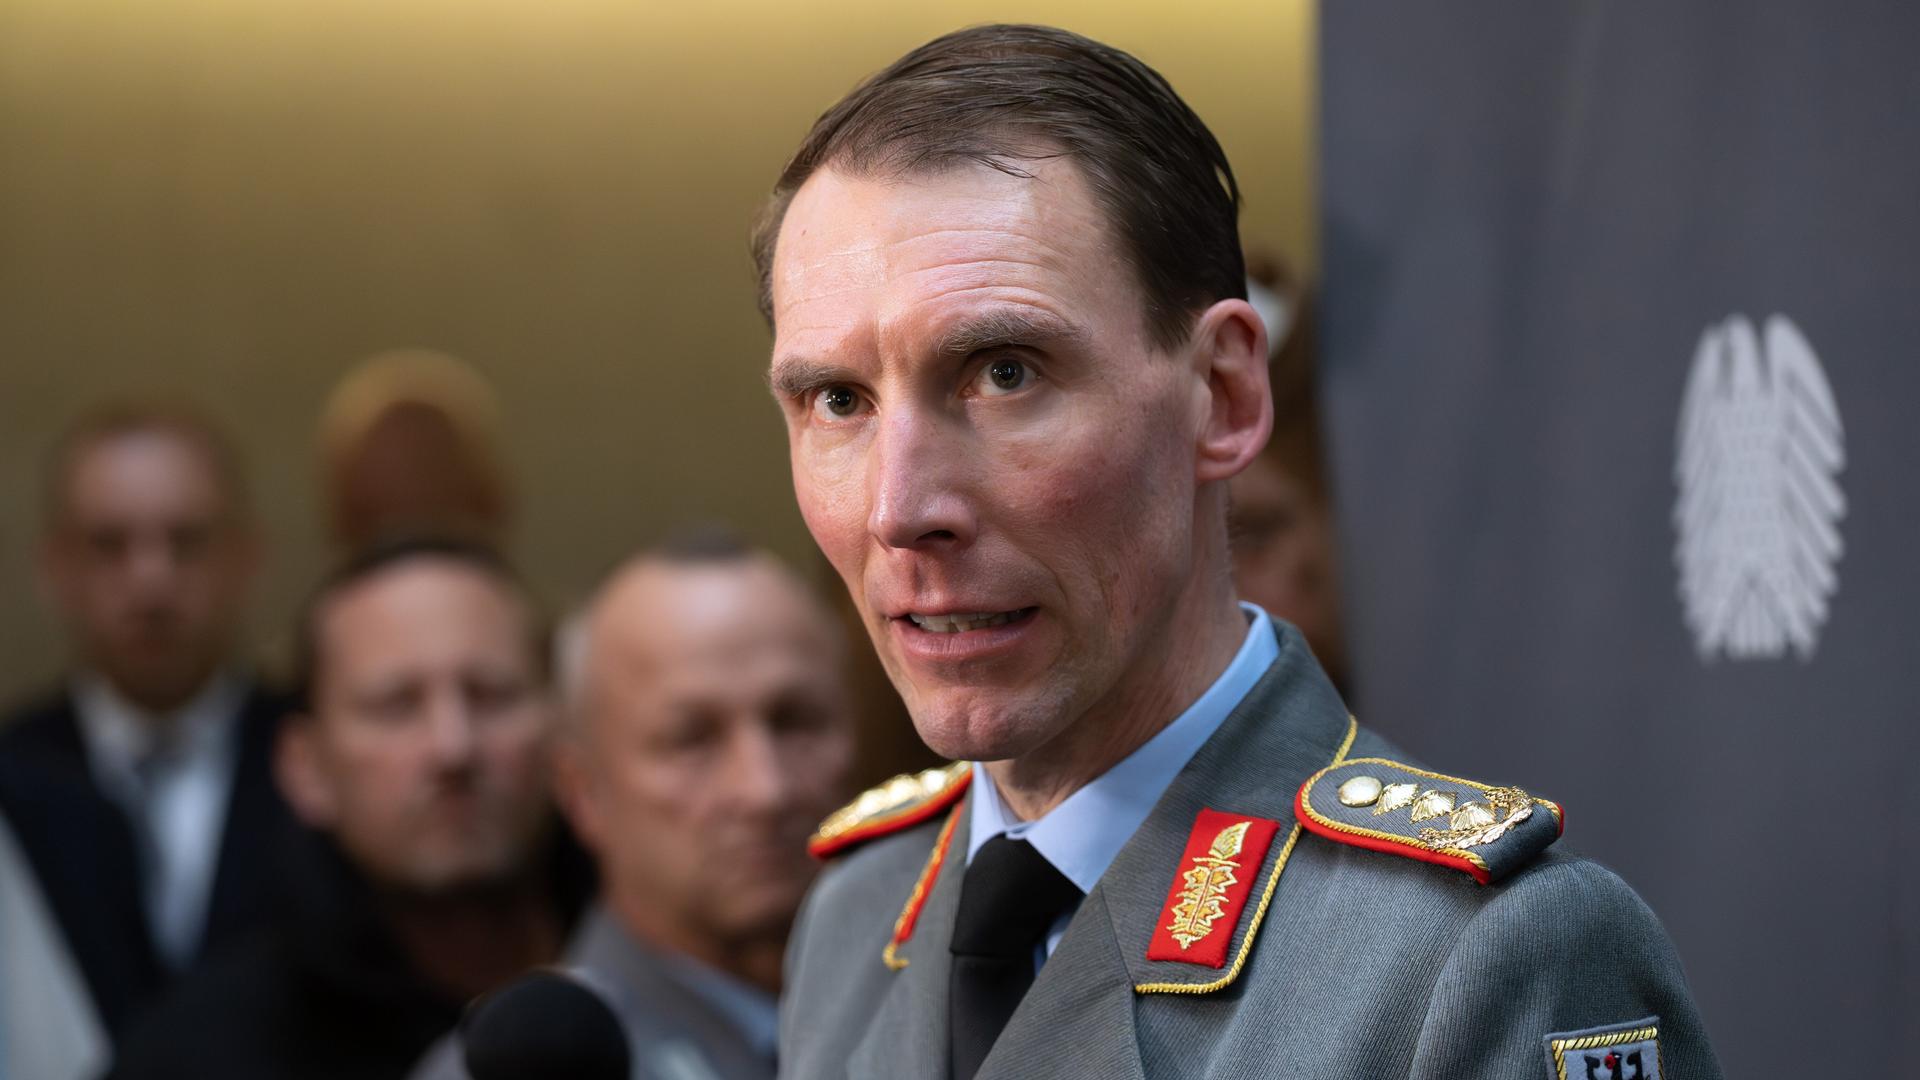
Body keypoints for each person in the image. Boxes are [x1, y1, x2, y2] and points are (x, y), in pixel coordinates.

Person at [754, 24, 1721, 1079]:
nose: (900, 508)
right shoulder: (858, 917)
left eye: (1005, 373)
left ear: (1223, 394)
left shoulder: (1475, 962)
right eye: (837, 400)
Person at [111, 536, 590, 1080]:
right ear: (306, 767)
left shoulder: (670, 970)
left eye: (490, 694)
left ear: (564, 730)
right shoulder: (200, 1055)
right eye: (396, 705)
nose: (453, 747)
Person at [411, 532, 855, 1080]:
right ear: (582, 792)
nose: (765, 789)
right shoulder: (518, 1070)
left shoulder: (942, 1009)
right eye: (691, 739)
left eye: (795, 721)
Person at [0, 403, 297, 1029]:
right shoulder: (11, 774)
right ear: (55, 568)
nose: (151, 580)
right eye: (109, 545)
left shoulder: (323, 764)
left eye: (186, 541)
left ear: (246, 557)